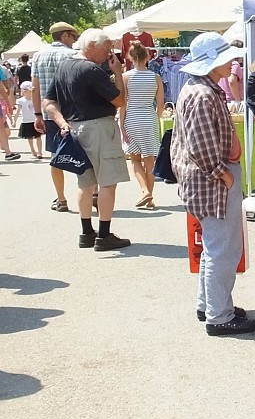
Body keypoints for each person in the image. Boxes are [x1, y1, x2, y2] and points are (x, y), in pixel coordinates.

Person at [170, 32, 255, 336]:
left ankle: (210, 304)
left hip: (205, 180)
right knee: (223, 248)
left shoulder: (199, 89)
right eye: (227, 57)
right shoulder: (203, 94)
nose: (233, 61)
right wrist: (224, 173)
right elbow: (202, 146)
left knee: (214, 246)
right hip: (213, 182)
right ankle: (219, 315)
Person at [43, 29, 132, 251]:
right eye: (106, 48)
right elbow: (120, 100)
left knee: (85, 182)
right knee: (108, 182)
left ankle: (86, 232)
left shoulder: (64, 67)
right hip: (100, 127)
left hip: (75, 128)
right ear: (91, 45)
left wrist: (62, 122)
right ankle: (104, 235)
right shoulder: (92, 70)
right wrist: (118, 73)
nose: (108, 53)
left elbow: (48, 101)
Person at [32, 22, 81, 211]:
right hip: (74, 113)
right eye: (73, 36)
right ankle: (90, 193)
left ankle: (61, 199)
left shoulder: (38, 56)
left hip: (50, 114)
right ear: (65, 36)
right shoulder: (73, 55)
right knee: (82, 154)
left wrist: (38, 114)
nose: (74, 40)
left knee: (56, 156)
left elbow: (35, 88)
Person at [120, 41, 164, 209]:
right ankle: (150, 198)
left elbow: (123, 104)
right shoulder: (155, 77)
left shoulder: (126, 77)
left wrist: (122, 125)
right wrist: (156, 117)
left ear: (130, 58)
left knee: (135, 159)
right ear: (148, 56)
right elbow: (160, 104)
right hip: (149, 116)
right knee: (150, 160)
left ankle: (145, 191)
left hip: (132, 117)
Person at [16, 82, 43, 158]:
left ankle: (40, 152)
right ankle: (32, 150)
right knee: (29, 137)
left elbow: (41, 108)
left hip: (35, 120)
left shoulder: (36, 99)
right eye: (28, 90)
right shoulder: (21, 101)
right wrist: (14, 121)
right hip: (26, 121)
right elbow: (18, 111)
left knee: (38, 137)